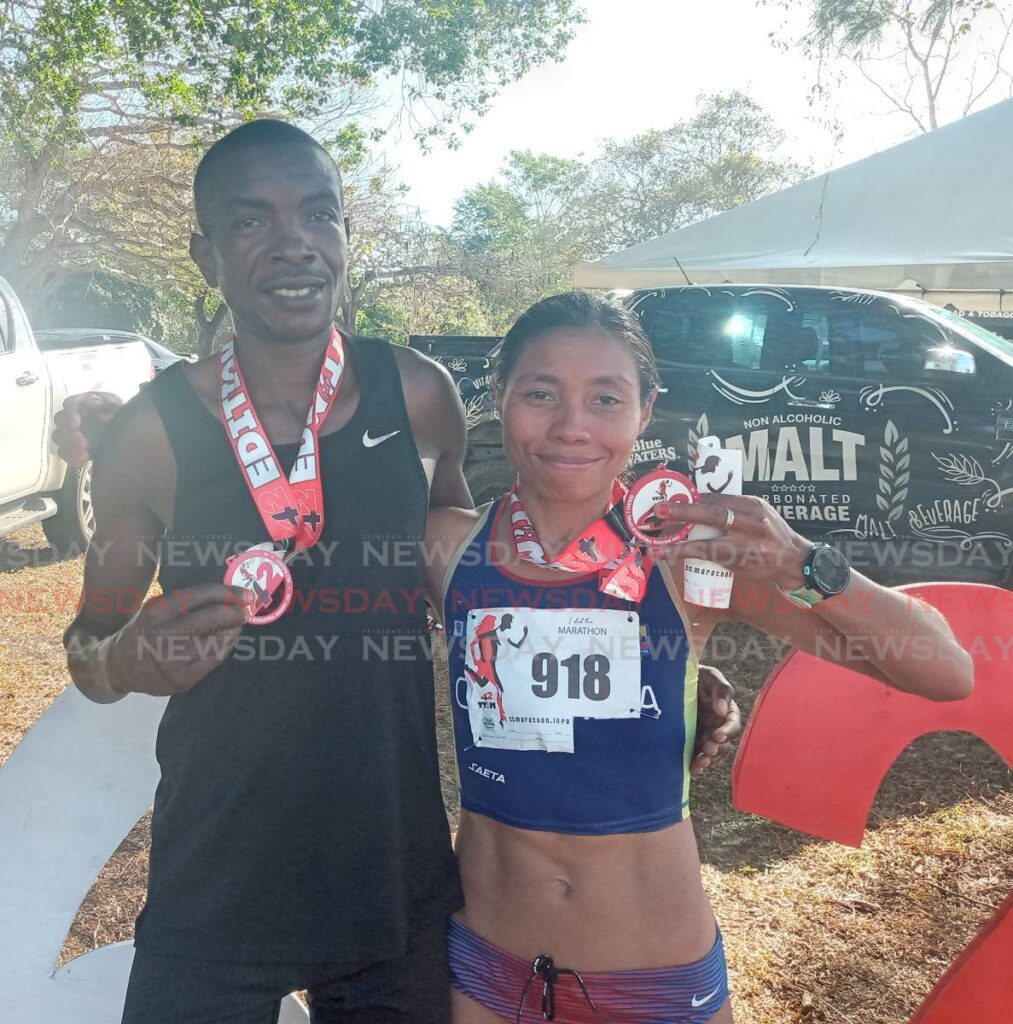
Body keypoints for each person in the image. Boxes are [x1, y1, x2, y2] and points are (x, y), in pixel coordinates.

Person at [58, 121, 740, 1024]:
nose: (293, 243)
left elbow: (477, 579)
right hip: (214, 876)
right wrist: (125, 661)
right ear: (204, 252)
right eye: (251, 221)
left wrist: (656, 663)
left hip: (393, 877)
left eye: (318, 215)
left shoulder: (418, 395)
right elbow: (87, 646)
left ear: (345, 237)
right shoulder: (148, 432)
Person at [417, 292, 974, 1024]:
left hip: (652, 980)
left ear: (646, 411)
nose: (571, 425)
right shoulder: (445, 548)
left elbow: (943, 671)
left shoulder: (688, 559)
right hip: (487, 971)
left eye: (606, 398)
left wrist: (803, 561)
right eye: (540, 393)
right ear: (499, 398)